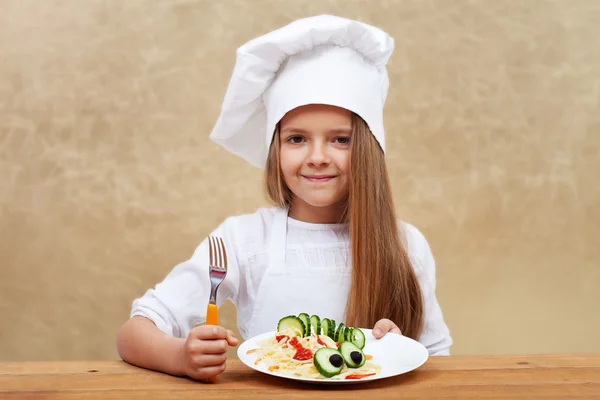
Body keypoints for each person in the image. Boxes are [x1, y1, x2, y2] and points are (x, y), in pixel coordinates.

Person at [116, 14, 452, 382]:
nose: (318, 156)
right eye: (297, 138)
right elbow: (133, 335)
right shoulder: (241, 240)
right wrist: (180, 355)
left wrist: (399, 351)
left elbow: (439, 360)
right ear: (274, 148)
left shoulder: (407, 244)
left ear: (370, 149)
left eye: (341, 139)